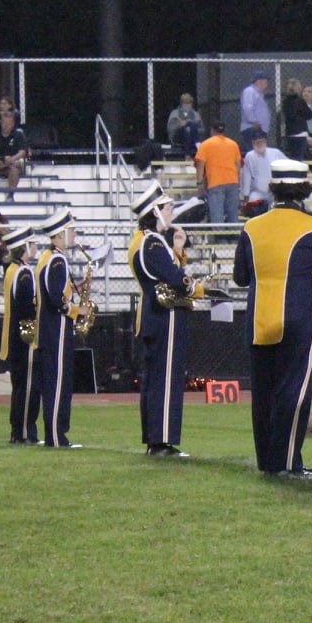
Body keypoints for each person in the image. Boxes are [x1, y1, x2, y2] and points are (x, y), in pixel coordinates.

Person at [233, 159, 312, 476]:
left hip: (258, 320)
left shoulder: (251, 226)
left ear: (274, 188)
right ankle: (288, 462)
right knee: (294, 392)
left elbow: (241, 277)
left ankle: (268, 462)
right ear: (304, 189)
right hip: (299, 319)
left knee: (263, 395)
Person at [129, 184, 202, 458]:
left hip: (154, 316)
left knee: (155, 380)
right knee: (166, 380)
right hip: (166, 316)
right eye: (167, 207)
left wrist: (178, 249)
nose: (172, 211)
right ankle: (162, 441)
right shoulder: (152, 242)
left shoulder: (144, 240)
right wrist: (197, 287)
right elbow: (174, 279)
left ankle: (155, 439)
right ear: (155, 212)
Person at [31, 209, 82, 449]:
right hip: (57, 330)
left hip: (49, 330)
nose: (74, 234)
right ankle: (56, 435)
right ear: (60, 234)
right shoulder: (58, 260)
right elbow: (55, 297)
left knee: (54, 382)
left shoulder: (48, 257)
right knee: (58, 384)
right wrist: (76, 310)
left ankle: (56, 434)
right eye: (70, 230)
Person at [0, 223, 40, 444]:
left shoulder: (12, 270)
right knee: (28, 386)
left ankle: (20, 430)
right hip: (25, 337)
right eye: (32, 244)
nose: (35, 248)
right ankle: (24, 432)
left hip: (14, 335)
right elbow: (26, 306)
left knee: (21, 385)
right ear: (25, 246)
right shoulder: (23, 272)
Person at [196, 122, 243, 225]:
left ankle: (220, 239)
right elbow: (238, 166)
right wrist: (238, 182)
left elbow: (200, 165)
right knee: (233, 215)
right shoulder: (233, 144)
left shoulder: (206, 144)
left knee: (217, 215)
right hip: (232, 182)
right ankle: (234, 238)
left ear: (212, 130)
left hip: (215, 183)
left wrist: (199, 183)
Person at [240, 131, 274, 217]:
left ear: (265, 142)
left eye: (261, 141)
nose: (259, 144)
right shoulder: (250, 156)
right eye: (257, 142)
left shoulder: (275, 153)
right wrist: (246, 195)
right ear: (253, 143)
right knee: (252, 202)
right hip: (258, 192)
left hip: (274, 191)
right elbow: (246, 176)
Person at [280, 79, 312, 162]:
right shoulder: (300, 101)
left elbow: (289, 115)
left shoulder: (285, 102)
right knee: (299, 158)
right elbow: (309, 115)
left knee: (293, 157)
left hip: (290, 132)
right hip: (300, 132)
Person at [239, 72, 274, 150]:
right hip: (253, 128)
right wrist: (253, 121)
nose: (267, 84)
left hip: (258, 128)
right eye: (266, 81)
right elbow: (247, 107)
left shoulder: (259, 93)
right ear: (259, 81)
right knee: (255, 152)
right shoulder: (250, 91)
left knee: (259, 152)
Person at [165, 94, 205, 158]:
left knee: (192, 124)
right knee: (185, 128)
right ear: (181, 104)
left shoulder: (196, 114)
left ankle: (195, 146)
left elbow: (202, 130)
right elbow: (169, 129)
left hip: (192, 136)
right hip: (179, 137)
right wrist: (179, 125)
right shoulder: (174, 113)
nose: (187, 105)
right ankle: (193, 149)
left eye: (189, 103)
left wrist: (191, 129)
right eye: (185, 103)